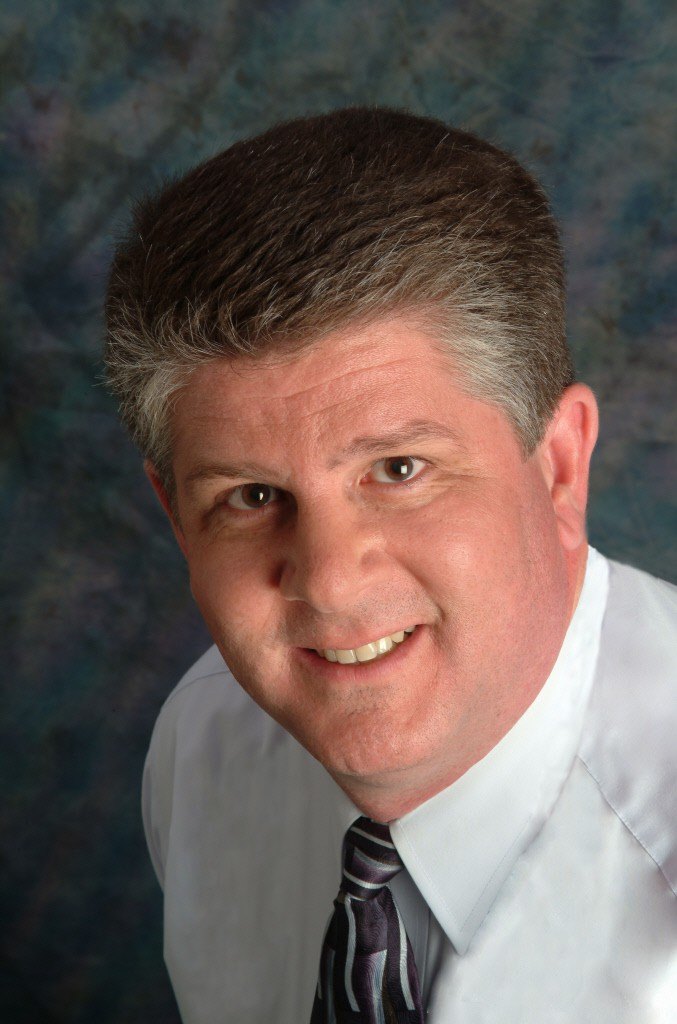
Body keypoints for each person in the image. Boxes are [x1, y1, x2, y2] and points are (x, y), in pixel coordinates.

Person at [104, 108, 676, 1023]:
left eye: (399, 470)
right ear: (176, 517)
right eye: (252, 495)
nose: (330, 585)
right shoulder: (204, 745)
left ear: (559, 467)